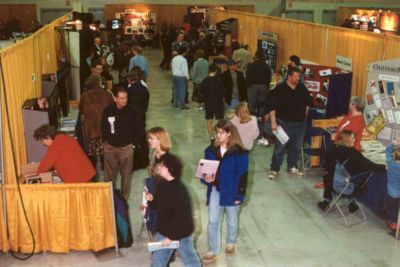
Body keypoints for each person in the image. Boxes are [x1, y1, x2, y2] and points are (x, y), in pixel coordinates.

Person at [201, 119, 248, 264]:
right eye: (217, 133)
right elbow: (204, 172)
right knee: (213, 221)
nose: (218, 136)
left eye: (221, 133)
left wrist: (239, 196)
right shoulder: (210, 150)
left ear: (229, 134)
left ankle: (230, 242)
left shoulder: (240, 153)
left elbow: (243, 176)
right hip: (216, 190)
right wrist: (206, 178)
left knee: (232, 219)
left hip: (232, 191)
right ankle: (214, 249)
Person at [145, 153, 201, 267]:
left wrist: (171, 238)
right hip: (164, 230)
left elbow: (183, 218)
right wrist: (151, 200)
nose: (158, 167)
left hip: (182, 233)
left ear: (170, 169)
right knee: (158, 262)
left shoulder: (179, 190)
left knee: (191, 260)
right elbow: (158, 206)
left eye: (162, 165)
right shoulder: (162, 185)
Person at [317, 130, 386, 211]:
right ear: (347, 140)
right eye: (353, 138)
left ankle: (326, 201)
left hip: (333, 184)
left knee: (329, 173)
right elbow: (367, 165)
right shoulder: (353, 153)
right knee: (360, 177)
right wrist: (383, 167)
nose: (355, 140)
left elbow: (327, 169)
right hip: (347, 187)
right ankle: (352, 201)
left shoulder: (333, 149)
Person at [268, 67, 313, 180]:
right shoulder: (280, 89)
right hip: (284, 124)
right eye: (296, 76)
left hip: (300, 124)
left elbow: (308, 102)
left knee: (296, 147)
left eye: (299, 76)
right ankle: (274, 169)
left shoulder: (302, 88)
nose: (298, 79)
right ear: (289, 77)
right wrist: (273, 122)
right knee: (280, 148)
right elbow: (272, 106)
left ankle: (292, 167)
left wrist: (305, 114)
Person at [101, 86, 145, 200]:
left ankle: (124, 198)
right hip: (110, 147)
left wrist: (133, 144)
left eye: (125, 98)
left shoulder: (132, 111)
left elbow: (140, 129)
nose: (124, 100)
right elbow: (103, 127)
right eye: (121, 98)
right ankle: (108, 197)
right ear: (115, 98)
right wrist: (106, 141)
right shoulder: (108, 110)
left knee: (126, 175)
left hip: (126, 148)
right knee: (108, 175)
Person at [79, 74, 114, 176]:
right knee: (105, 153)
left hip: (90, 130)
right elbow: (112, 111)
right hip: (104, 130)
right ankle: (105, 169)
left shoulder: (85, 96)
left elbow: (82, 112)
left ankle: (93, 174)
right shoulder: (107, 95)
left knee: (91, 155)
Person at [246, 49, 272, 146]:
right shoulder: (266, 66)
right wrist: (266, 88)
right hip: (263, 87)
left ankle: (252, 131)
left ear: (255, 56)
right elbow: (268, 78)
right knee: (262, 109)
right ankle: (261, 133)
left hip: (252, 87)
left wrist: (248, 87)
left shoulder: (251, 65)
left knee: (252, 108)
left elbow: (247, 77)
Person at [200, 63, 225, 141]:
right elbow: (223, 93)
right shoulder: (219, 81)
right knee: (220, 121)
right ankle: (220, 135)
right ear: (216, 71)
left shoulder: (204, 80)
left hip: (208, 103)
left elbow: (201, 92)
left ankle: (211, 137)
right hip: (218, 103)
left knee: (209, 121)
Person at [385, 138, 400, 231]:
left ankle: (393, 221)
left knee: (392, 208)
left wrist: (393, 144)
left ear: (394, 155)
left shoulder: (390, 162)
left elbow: (387, 150)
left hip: (392, 192)